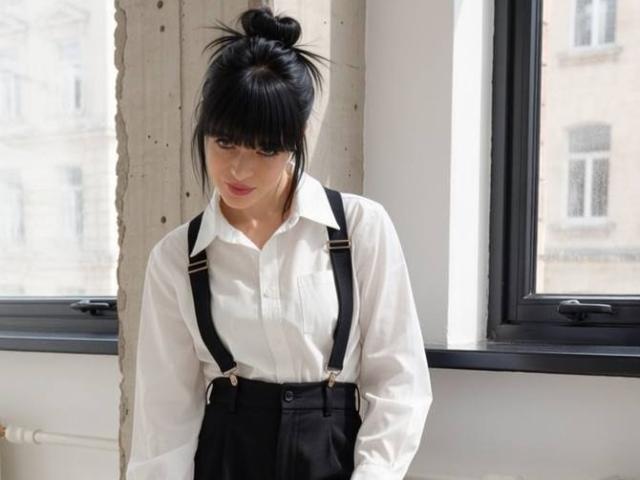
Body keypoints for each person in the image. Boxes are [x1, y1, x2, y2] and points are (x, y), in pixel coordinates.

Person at [125, 6, 433, 480]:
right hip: (227, 458)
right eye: (224, 142)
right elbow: (163, 417)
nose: (239, 169)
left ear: (296, 138)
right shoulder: (176, 257)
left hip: (333, 457)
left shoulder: (358, 228)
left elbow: (399, 381)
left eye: (265, 149)